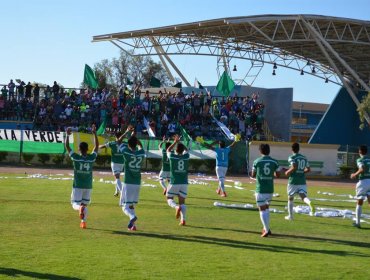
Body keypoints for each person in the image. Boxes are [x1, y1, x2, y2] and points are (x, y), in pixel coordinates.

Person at [64, 124, 99, 229]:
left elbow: (67, 147)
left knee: (75, 204)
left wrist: (67, 135)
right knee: (85, 204)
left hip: (78, 185)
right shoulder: (91, 158)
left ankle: (80, 208)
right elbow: (97, 147)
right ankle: (83, 221)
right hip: (88, 186)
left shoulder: (75, 157)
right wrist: (95, 134)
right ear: (88, 149)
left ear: (79, 149)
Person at [251, 143, 279, 237]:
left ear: (260, 151)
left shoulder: (257, 161)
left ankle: (266, 230)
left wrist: (255, 173)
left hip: (260, 188)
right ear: (269, 150)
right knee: (266, 208)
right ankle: (267, 228)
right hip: (270, 189)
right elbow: (277, 175)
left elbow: (253, 174)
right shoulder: (274, 162)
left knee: (262, 209)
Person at [119, 135, 146, 231]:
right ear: (137, 143)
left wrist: (126, 133)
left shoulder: (126, 152)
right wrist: (137, 141)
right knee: (131, 205)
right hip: (137, 183)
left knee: (124, 206)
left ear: (128, 144)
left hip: (128, 182)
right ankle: (132, 225)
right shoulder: (141, 153)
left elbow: (119, 142)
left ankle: (132, 217)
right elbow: (141, 147)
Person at [98, 126, 134, 197]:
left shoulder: (112, 143)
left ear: (115, 136)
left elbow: (101, 147)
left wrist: (98, 145)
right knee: (117, 177)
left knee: (117, 178)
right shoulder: (125, 144)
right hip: (121, 162)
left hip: (114, 162)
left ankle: (122, 193)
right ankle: (116, 191)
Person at [284, 143, 315, 220]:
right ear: (299, 149)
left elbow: (294, 166)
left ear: (292, 149)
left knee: (290, 198)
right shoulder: (304, 158)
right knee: (303, 196)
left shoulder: (292, 157)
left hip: (293, 181)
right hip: (302, 181)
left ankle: (290, 216)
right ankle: (309, 203)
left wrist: (287, 171)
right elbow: (308, 169)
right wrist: (301, 172)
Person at [166, 135, 190, 226]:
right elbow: (187, 150)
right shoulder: (186, 156)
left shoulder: (172, 156)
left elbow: (168, 150)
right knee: (182, 202)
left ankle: (176, 207)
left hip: (174, 181)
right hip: (184, 182)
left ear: (176, 150)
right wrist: (180, 142)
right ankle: (183, 220)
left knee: (169, 198)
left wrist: (175, 142)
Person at [350, 145, 370, 228]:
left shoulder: (360, 159)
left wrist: (354, 174)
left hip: (363, 182)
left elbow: (361, 169)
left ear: (360, 151)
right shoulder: (369, 159)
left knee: (359, 201)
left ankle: (357, 223)